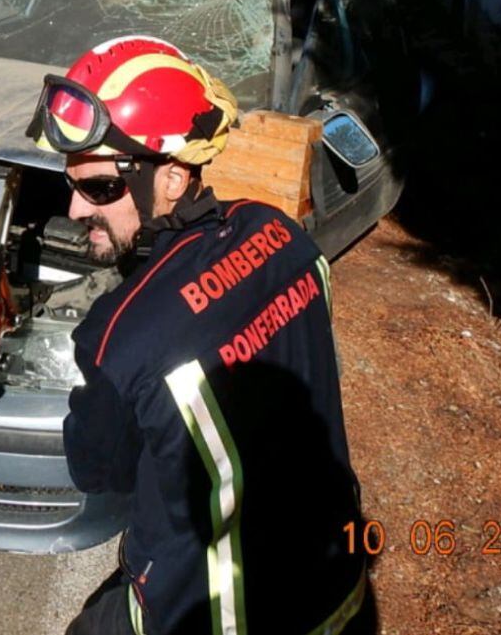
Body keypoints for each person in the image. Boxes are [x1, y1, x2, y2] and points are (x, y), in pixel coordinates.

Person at [26, 36, 372, 635]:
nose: (76, 210)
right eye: (72, 182)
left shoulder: (117, 339)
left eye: (100, 188)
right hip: (339, 586)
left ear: (173, 181)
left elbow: (99, 473)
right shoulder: (286, 236)